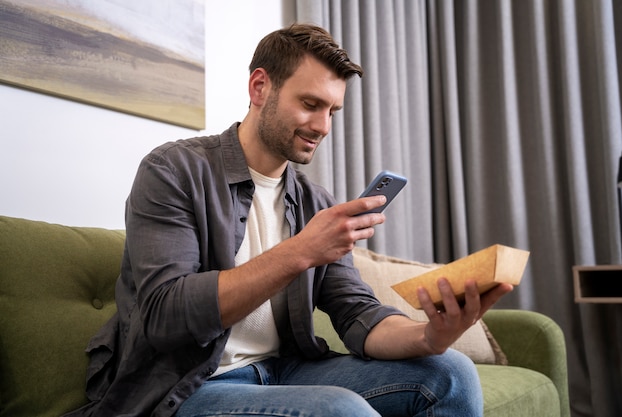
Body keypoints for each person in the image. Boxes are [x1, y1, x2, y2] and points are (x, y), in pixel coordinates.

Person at [67, 23, 513, 417]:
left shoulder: (315, 202)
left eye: (332, 111)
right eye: (310, 104)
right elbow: (165, 315)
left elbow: (356, 312)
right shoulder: (173, 171)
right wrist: (302, 250)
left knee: (450, 372)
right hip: (188, 387)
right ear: (260, 87)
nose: (322, 126)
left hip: (286, 370)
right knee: (339, 410)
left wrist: (429, 337)